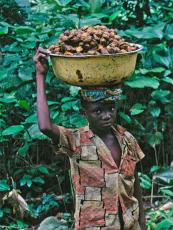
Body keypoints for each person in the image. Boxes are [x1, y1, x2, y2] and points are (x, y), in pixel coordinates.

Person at [34, 47, 146, 230]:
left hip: (129, 224)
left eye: (111, 108)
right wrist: (40, 75)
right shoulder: (76, 141)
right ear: (84, 112)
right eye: (98, 111)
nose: (106, 115)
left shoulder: (127, 139)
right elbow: (45, 126)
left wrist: (142, 223)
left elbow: (136, 184)